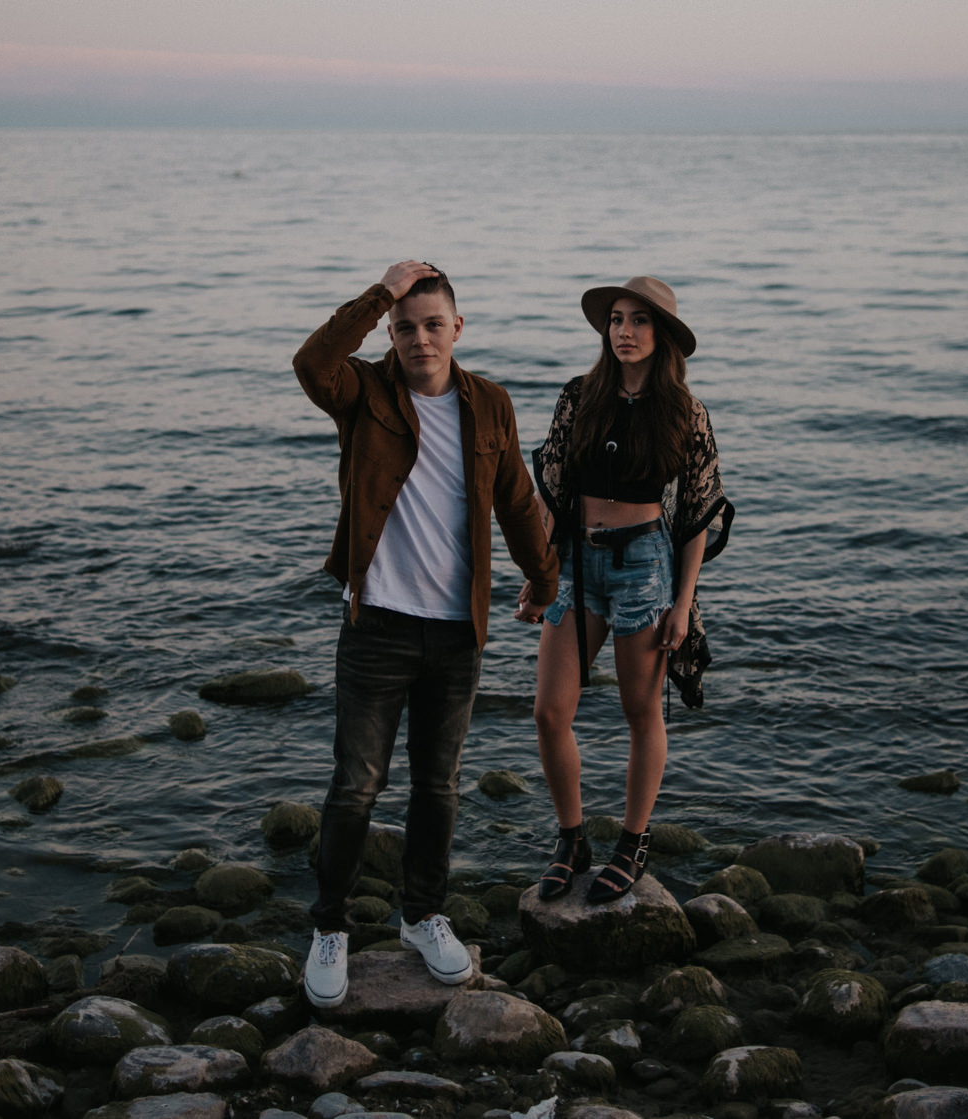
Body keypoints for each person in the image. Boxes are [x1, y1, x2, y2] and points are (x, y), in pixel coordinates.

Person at [292, 260, 559, 1009]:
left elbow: (516, 498)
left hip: (455, 632)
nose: (419, 338)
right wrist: (378, 291)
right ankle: (330, 926)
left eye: (432, 324)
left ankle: (421, 914)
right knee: (356, 785)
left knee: (437, 786)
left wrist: (543, 579)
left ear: (457, 328)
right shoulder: (363, 392)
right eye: (404, 326)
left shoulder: (490, 405)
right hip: (376, 623)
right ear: (389, 331)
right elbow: (312, 362)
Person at [526, 275, 732, 904]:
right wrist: (540, 575)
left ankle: (633, 842)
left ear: (661, 334)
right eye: (616, 319)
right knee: (549, 711)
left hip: (645, 564)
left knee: (639, 713)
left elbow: (698, 514)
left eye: (639, 320)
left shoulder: (685, 412)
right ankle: (572, 839)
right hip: (577, 563)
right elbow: (552, 493)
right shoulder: (579, 396)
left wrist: (682, 602)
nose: (624, 331)